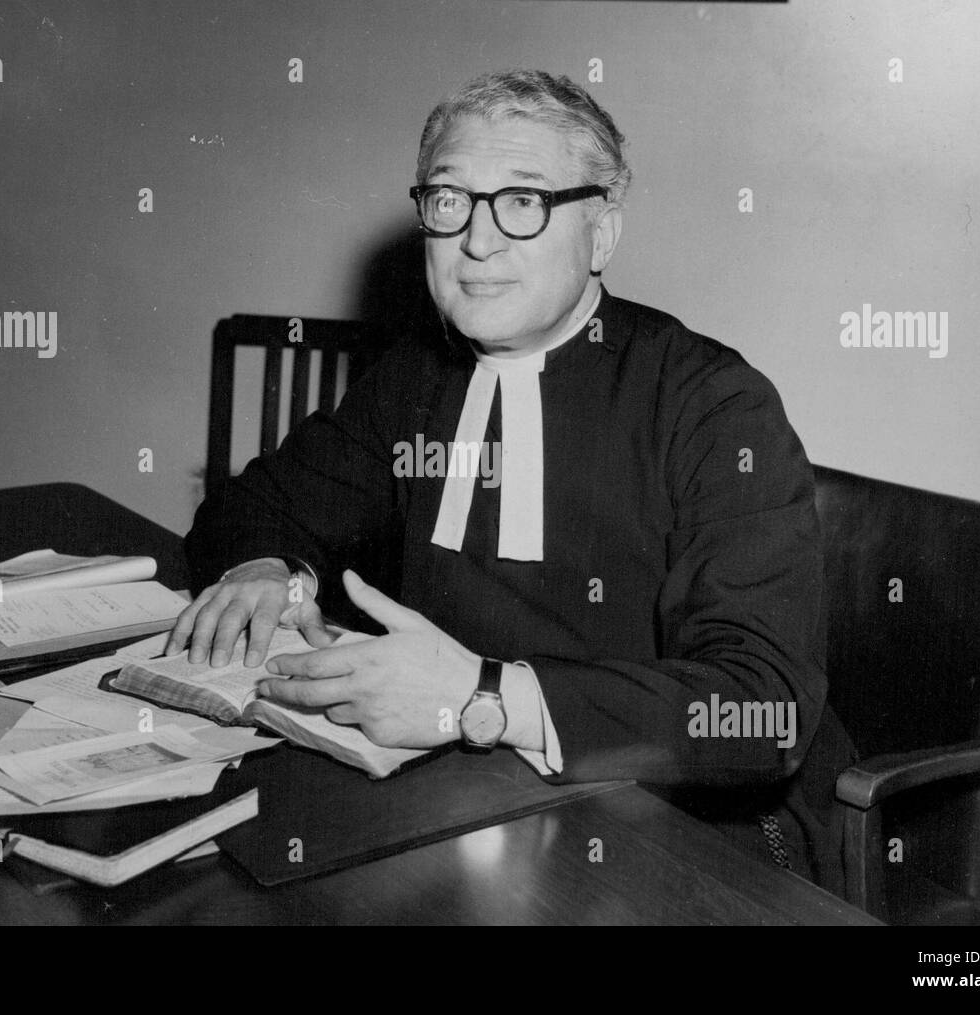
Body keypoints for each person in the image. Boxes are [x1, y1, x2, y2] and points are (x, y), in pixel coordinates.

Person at [172, 69, 856, 895]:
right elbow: (253, 508)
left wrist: (479, 697)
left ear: (601, 233)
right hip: (461, 799)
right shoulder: (416, 379)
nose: (478, 242)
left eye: (523, 202)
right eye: (451, 200)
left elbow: (763, 710)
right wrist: (269, 569)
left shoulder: (712, 405)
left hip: (685, 823)